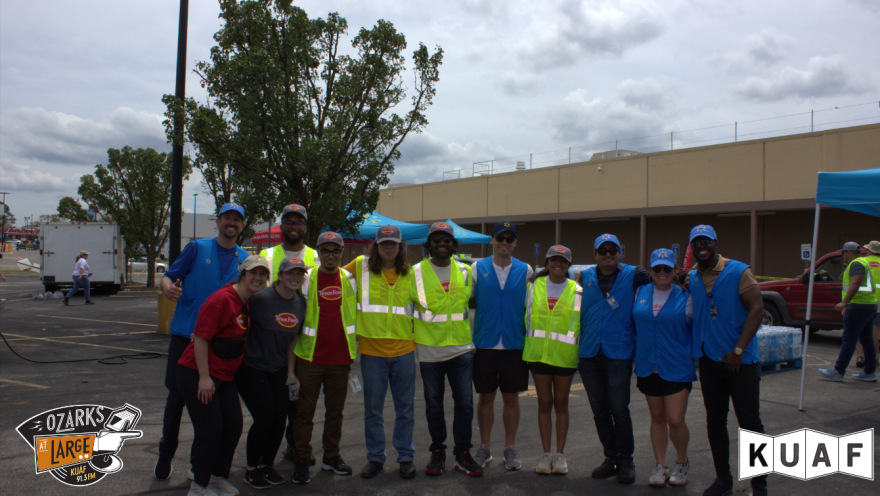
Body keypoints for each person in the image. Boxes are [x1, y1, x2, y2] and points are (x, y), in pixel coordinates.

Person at [154, 203, 250, 481]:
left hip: (218, 346)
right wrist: (168, 288)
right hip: (186, 336)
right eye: (227, 218)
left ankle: (203, 465)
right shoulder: (197, 248)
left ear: (242, 226)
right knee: (177, 400)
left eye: (237, 220)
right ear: (218, 221)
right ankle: (165, 455)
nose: (231, 223)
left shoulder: (243, 259)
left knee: (210, 410)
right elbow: (169, 276)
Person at [177, 254, 270, 496]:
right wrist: (204, 378)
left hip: (224, 375)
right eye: (253, 273)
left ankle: (215, 476)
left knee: (233, 425)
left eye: (263, 274)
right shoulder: (222, 299)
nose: (257, 278)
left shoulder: (246, 301)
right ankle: (198, 485)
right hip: (197, 372)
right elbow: (200, 338)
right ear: (243, 274)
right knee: (211, 430)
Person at [687, 225, 767, 496]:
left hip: (740, 361)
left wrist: (739, 349)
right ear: (692, 247)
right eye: (696, 242)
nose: (701, 245)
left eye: (706, 241)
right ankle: (723, 478)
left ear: (715, 242)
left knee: (750, 423)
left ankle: (760, 484)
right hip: (710, 360)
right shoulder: (693, 277)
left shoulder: (738, 271)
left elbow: (757, 309)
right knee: (715, 420)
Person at [342, 225, 418, 480]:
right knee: (373, 408)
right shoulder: (360, 266)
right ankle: (375, 457)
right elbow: (332, 278)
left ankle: (405, 456)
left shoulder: (411, 273)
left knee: (405, 408)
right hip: (372, 352)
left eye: (393, 243)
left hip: (405, 351)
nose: (389, 247)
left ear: (400, 246)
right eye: (384, 242)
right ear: (376, 245)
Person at [578, 233, 651, 484]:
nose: (608, 255)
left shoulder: (635, 274)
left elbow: (665, 276)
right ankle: (611, 457)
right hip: (588, 353)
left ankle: (627, 460)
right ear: (595, 253)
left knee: (619, 410)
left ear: (621, 251)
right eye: (603, 251)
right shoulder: (584, 276)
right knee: (599, 410)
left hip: (618, 353)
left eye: (613, 250)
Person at [412, 222, 482, 477]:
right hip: (430, 350)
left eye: (446, 240)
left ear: (454, 244)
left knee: (464, 404)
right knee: (433, 405)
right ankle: (437, 452)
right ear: (429, 244)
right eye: (436, 240)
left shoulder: (465, 272)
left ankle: (463, 453)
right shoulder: (415, 272)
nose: (441, 244)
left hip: (462, 349)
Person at [291, 231, 358, 484]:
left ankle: (331, 456)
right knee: (304, 412)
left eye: (335, 251)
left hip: (340, 360)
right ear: (318, 252)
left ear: (342, 252)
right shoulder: (306, 279)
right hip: (309, 358)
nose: (330, 255)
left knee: (335, 412)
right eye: (325, 251)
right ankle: (301, 458)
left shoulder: (350, 279)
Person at [236, 258, 308, 489]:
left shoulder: (301, 303)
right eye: (290, 273)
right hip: (251, 366)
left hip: (278, 368)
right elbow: (235, 319)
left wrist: (290, 373)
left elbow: (293, 341)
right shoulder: (260, 299)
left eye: (299, 273)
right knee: (265, 416)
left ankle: (267, 464)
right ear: (280, 274)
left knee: (280, 418)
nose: (295, 277)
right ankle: (251, 468)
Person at [259, 203, 320, 464]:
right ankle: (263, 455)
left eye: (299, 222)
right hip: (268, 342)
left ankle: (294, 447)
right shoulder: (267, 255)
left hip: (302, 341)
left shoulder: (316, 258)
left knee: (297, 403)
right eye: (289, 222)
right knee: (270, 407)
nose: (294, 227)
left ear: (305, 227)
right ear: (281, 225)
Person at [471, 221, 533, 471]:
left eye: (510, 239)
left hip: (514, 344)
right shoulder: (477, 268)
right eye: (500, 238)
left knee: (511, 397)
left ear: (515, 243)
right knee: (486, 397)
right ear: (492, 241)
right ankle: (485, 447)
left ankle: (509, 447)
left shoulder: (526, 270)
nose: (504, 243)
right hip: (485, 343)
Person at [633, 248, 695, 488]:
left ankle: (681, 461)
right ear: (650, 270)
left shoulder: (686, 295)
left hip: (676, 365)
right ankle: (660, 465)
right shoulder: (640, 291)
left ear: (675, 270)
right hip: (648, 365)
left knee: (676, 419)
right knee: (657, 418)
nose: (662, 273)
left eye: (666, 268)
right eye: (657, 268)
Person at [524, 245, 582, 475]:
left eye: (563, 260)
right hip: (538, 355)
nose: (558, 263)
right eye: (554, 259)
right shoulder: (532, 286)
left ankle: (560, 455)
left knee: (561, 404)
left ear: (568, 265)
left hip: (564, 356)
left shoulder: (577, 290)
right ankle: (546, 453)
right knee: (544, 403)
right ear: (546, 263)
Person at [819, 241, 878, 382]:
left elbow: (856, 283)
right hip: (868, 304)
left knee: (849, 338)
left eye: (843, 253)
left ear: (848, 252)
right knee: (866, 339)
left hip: (858, 306)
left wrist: (844, 302)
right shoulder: (863, 263)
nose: (843, 256)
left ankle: (839, 370)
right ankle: (869, 371)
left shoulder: (856, 264)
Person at [854, 240, 880, 369]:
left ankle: (860, 356)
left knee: (860, 329)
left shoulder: (862, 261)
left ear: (868, 250)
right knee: (875, 331)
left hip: (863, 300)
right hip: (879, 301)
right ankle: (873, 358)